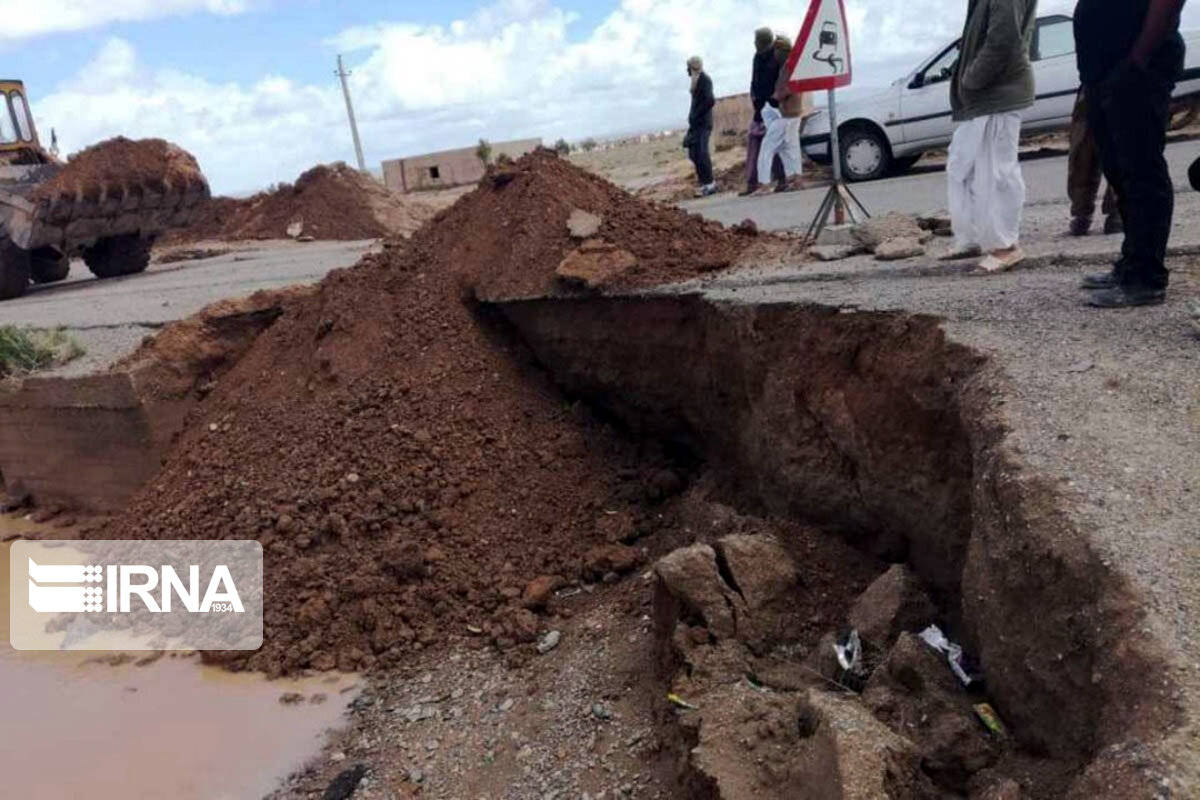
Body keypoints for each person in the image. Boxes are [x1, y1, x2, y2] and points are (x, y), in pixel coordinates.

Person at [1076, 0, 1185, 308]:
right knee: (1119, 170)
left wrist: (1138, 59)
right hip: (1103, 71)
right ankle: (1131, 263)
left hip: (1137, 67)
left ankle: (1146, 279)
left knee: (1142, 170)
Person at [945, 0, 1037, 273]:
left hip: (998, 94)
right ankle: (970, 237)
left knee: (996, 172)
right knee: (962, 167)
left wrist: (970, 79)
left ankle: (1005, 247)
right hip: (982, 98)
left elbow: (1003, 40)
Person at [1066, 89, 1121, 236]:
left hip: (1122, 88)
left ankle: (1118, 211)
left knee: (1118, 151)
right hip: (1090, 89)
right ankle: (1081, 211)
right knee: (1082, 153)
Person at [755, 35, 806, 194]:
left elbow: (790, 86)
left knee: (767, 148)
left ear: (781, 50)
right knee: (789, 148)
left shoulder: (789, 65)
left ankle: (764, 185)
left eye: (776, 50)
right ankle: (796, 180)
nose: (774, 54)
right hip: (793, 113)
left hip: (786, 114)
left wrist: (775, 98)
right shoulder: (792, 64)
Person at [742, 27, 786, 195]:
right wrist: (754, 97)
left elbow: (783, 78)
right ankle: (751, 183)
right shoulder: (757, 57)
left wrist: (776, 98)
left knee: (775, 146)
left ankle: (782, 180)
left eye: (757, 40)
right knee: (754, 144)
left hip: (774, 108)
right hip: (759, 108)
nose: (755, 43)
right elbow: (754, 80)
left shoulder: (777, 55)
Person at [685, 56, 717, 198]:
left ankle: (710, 184)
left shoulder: (705, 80)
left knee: (702, 153)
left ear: (693, 67)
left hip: (703, 124)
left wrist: (697, 114)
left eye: (688, 67)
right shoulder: (695, 81)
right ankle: (704, 183)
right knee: (693, 153)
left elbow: (710, 100)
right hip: (696, 124)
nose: (687, 71)